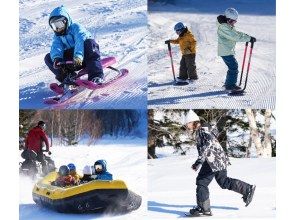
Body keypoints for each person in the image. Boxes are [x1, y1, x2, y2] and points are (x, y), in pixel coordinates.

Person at [184, 110, 256, 216]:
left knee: (202, 182)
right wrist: (199, 161)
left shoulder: (202, 130)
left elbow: (209, 143)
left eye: (187, 124)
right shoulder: (203, 129)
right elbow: (211, 140)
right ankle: (247, 189)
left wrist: (198, 162)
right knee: (223, 181)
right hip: (217, 159)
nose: (187, 126)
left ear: (193, 122)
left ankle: (204, 209)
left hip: (213, 160)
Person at [44, 5, 104, 86]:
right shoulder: (57, 36)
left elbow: (80, 41)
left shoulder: (76, 27)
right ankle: (69, 79)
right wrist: (56, 58)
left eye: (59, 25)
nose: (58, 28)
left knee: (89, 43)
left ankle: (96, 76)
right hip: (72, 62)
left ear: (66, 21)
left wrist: (78, 56)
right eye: (55, 26)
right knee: (49, 57)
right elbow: (56, 47)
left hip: (85, 58)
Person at [217, 8, 256, 90]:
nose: (233, 23)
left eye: (235, 21)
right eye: (232, 21)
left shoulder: (227, 25)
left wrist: (246, 36)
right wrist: (248, 39)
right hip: (225, 51)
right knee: (233, 67)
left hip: (227, 50)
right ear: (227, 19)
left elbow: (235, 33)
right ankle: (230, 85)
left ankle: (229, 83)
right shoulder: (223, 27)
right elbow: (234, 37)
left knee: (232, 67)